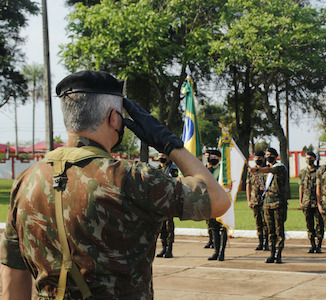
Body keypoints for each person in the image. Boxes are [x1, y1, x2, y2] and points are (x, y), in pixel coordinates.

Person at [0, 70, 230, 300]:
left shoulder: (25, 181)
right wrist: (170, 144)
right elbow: (218, 200)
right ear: (114, 118)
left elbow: (14, 276)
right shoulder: (130, 178)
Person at [249, 148, 288, 263]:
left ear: (276, 156)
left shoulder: (279, 167)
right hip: (267, 203)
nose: (268, 157)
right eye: (267, 155)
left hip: (278, 203)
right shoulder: (264, 172)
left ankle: (278, 254)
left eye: (271, 155)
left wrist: (256, 169)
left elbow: (271, 170)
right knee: (270, 230)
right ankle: (272, 253)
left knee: (278, 229)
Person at [298, 151, 324, 253]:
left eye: (311, 158)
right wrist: (300, 201)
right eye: (307, 157)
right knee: (309, 225)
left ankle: (319, 245)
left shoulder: (319, 171)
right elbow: (301, 187)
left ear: (315, 159)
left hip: (317, 202)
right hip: (306, 202)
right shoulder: (303, 172)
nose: (308, 159)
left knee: (319, 225)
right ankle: (312, 244)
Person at [206, 149, 228, 261]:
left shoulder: (223, 170)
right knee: (213, 227)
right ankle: (215, 251)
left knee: (222, 227)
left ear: (219, 159)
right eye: (211, 157)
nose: (212, 159)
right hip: (210, 202)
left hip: (222, 201)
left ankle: (222, 252)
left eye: (215, 158)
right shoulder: (207, 170)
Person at [156, 153, 179, 258]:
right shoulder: (155, 169)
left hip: (169, 201)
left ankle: (169, 249)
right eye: (159, 155)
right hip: (158, 201)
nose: (161, 157)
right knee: (161, 227)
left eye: (163, 155)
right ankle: (163, 248)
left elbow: (174, 183)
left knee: (169, 226)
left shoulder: (172, 168)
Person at [246, 150, 269, 251]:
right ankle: (260, 242)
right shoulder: (251, 170)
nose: (258, 159)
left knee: (266, 222)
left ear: (264, 158)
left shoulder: (268, 169)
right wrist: (249, 200)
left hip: (266, 201)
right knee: (258, 222)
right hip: (255, 200)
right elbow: (248, 185)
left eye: (260, 158)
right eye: (256, 158)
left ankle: (267, 243)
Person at [203, 149, 214, 249]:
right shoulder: (203, 168)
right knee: (208, 222)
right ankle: (210, 239)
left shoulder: (214, 169)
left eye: (208, 156)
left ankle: (214, 240)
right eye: (206, 155)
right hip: (206, 198)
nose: (207, 157)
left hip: (214, 198)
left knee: (215, 222)